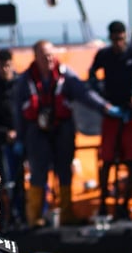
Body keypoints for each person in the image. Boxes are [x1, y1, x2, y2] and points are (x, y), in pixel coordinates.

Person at [16, 39, 118, 226]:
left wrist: (105, 107)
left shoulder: (66, 75)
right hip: (36, 131)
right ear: (36, 56)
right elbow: (18, 110)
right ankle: (34, 217)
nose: (48, 58)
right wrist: (20, 137)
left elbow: (85, 94)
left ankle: (67, 213)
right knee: (38, 172)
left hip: (62, 129)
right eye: (43, 54)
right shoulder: (25, 80)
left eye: (50, 54)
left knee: (65, 171)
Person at [88, 20, 132, 219]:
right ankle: (104, 202)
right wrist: (101, 95)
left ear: (125, 36)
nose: (118, 42)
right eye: (114, 39)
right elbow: (92, 75)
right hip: (112, 112)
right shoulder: (104, 54)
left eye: (121, 38)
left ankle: (124, 203)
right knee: (107, 159)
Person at [0, 49, 26, 228]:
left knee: (19, 179)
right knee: (1, 182)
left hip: (19, 140)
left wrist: (19, 132)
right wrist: (4, 133)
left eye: (7, 65)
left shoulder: (20, 85)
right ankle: (4, 220)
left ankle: (21, 215)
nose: (4, 69)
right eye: (1, 66)